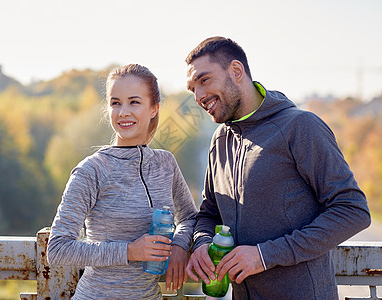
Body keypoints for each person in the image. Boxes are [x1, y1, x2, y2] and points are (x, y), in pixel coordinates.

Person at [184, 36, 371, 299]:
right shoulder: (220, 140)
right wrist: (202, 243)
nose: (199, 96)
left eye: (204, 80)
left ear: (236, 71)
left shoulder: (301, 127)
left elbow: (353, 210)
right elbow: (209, 213)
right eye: (193, 89)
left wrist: (264, 256)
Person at [47, 64, 198, 299]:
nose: (123, 112)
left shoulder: (165, 163)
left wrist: (179, 245)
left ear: (154, 109)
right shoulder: (92, 170)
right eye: (115, 103)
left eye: (134, 102)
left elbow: (189, 217)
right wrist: (129, 251)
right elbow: (58, 248)